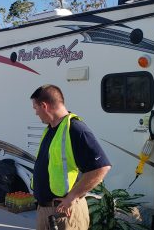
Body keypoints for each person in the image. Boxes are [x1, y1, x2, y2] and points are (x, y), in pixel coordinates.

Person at [30, 84, 111, 230]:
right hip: (46, 211)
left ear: (44, 106)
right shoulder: (51, 130)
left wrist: (71, 197)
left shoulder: (76, 129)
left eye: (35, 108)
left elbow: (102, 167)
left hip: (65, 214)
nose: (36, 113)